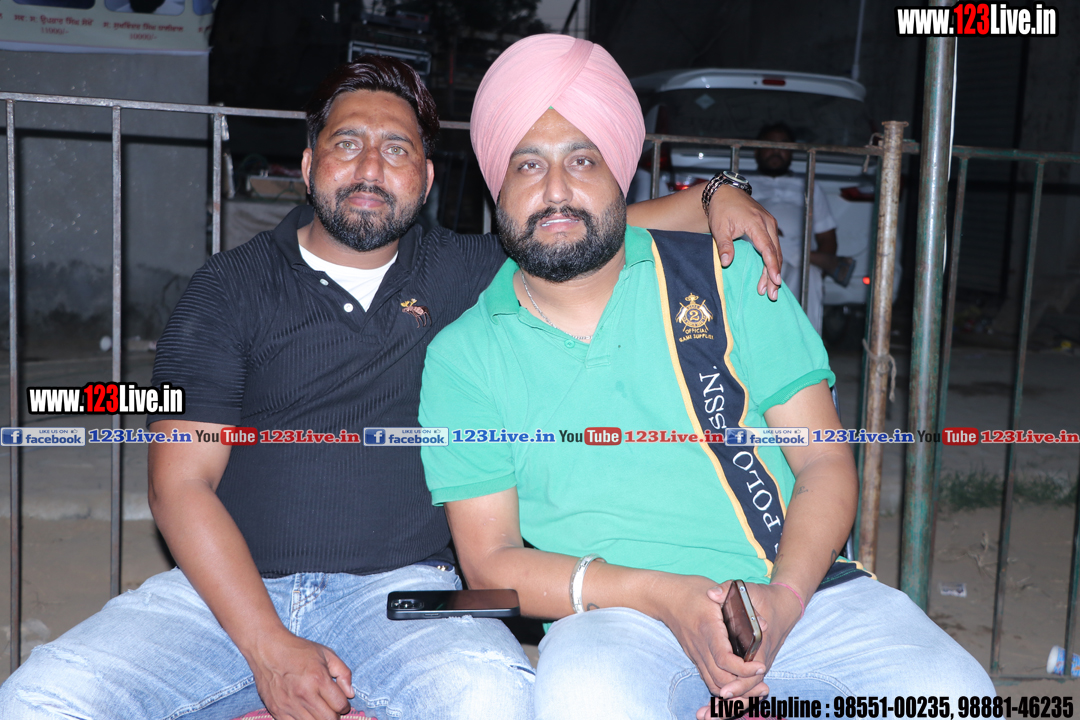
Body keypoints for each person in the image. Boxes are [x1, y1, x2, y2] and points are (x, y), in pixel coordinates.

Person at [0, 55, 785, 720]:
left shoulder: (467, 271)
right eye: (347, 144)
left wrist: (716, 194)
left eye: (397, 149)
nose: (371, 168)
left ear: (427, 178)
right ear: (308, 164)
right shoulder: (225, 290)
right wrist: (269, 647)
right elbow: (179, 486)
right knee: (39, 699)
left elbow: (594, 222)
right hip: (226, 592)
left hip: (412, 593)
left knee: (494, 701)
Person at [418, 34, 995, 720]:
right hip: (615, 614)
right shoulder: (465, 356)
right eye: (527, 164)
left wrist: (783, 602)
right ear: (498, 184)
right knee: (586, 699)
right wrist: (664, 595)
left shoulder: (728, 275)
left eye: (583, 160)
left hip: (793, 594)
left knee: (954, 695)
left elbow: (822, 461)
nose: (557, 190)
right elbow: (490, 561)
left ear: (621, 174)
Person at [749, 122, 854, 335]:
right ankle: (812, 257)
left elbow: (827, 236)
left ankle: (807, 343)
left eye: (783, 145)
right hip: (755, 256)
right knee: (757, 232)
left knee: (810, 273)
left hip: (795, 266)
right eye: (769, 145)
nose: (776, 151)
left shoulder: (807, 185)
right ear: (757, 150)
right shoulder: (743, 183)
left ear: (792, 152)